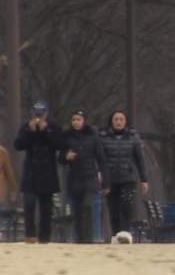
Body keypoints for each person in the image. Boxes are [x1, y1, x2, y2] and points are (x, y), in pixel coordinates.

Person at [14, 101, 64, 243]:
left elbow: (59, 144)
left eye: (41, 114)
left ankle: (44, 237)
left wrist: (45, 131)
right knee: (29, 205)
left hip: (47, 172)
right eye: (36, 114)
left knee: (46, 208)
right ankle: (30, 235)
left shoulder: (53, 127)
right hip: (31, 172)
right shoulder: (26, 126)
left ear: (46, 114)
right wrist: (30, 131)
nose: (39, 117)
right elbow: (18, 145)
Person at [58, 110, 108, 243]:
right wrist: (66, 157)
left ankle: (89, 237)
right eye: (74, 119)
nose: (76, 122)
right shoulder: (66, 137)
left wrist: (105, 181)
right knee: (76, 210)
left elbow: (101, 158)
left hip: (89, 177)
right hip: (74, 178)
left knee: (88, 206)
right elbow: (60, 159)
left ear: (84, 121)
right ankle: (79, 238)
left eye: (78, 119)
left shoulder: (92, 136)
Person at [101, 110, 148, 235]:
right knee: (113, 209)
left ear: (125, 122)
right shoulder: (104, 137)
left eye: (121, 119)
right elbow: (100, 158)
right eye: (116, 119)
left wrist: (144, 179)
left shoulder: (133, 137)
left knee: (127, 207)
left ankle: (125, 232)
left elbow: (140, 159)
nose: (118, 122)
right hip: (110, 178)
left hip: (128, 178)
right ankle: (115, 234)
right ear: (111, 121)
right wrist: (100, 174)